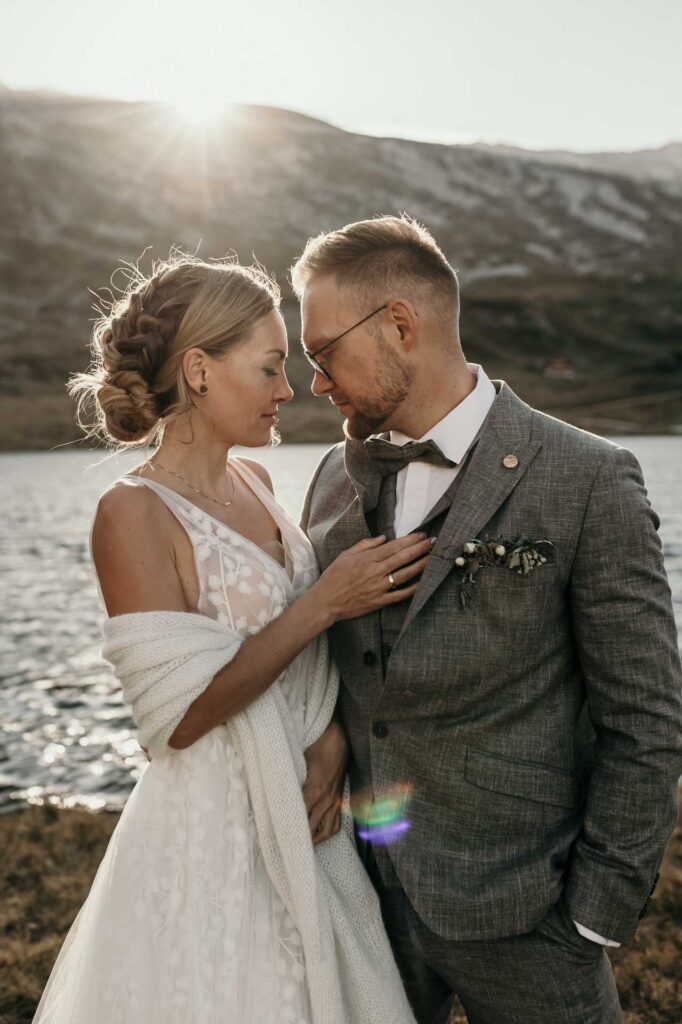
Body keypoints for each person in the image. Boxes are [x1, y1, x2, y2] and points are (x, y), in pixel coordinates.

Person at [293, 214, 682, 1024]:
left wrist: (593, 913)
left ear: (400, 324)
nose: (317, 384)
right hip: (363, 900)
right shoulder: (333, 475)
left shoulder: (587, 479)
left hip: (527, 914)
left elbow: (646, 715)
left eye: (324, 351)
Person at [32, 254, 425, 1024]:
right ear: (201, 371)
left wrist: (333, 746)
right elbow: (175, 719)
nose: (289, 391)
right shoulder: (132, 513)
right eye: (271, 368)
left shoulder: (257, 486)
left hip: (304, 807)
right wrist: (324, 604)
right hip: (209, 830)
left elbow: (304, 672)